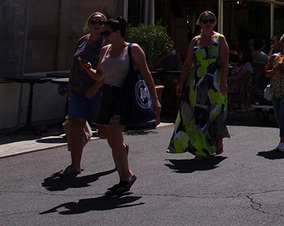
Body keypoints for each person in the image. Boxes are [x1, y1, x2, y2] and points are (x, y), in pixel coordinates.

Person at [82, 16, 161, 195]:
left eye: (107, 33)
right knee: (112, 139)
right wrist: (89, 70)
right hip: (108, 95)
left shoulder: (133, 49)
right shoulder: (104, 51)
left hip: (124, 95)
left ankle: (125, 177)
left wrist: (155, 100)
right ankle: (124, 175)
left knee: (115, 135)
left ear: (118, 32)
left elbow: (146, 75)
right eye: (102, 33)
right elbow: (100, 76)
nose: (104, 36)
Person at [168, 11, 230, 158]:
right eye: (205, 20)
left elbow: (224, 62)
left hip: (214, 82)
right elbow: (187, 63)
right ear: (200, 23)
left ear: (214, 22)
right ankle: (201, 148)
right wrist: (181, 83)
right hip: (197, 82)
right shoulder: (195, 41)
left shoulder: (220, 39)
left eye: (211, 20)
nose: (208, 23)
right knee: (197, 114)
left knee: (214, 113)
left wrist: (223, 82)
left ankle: (217, 139)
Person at [57, 12, 108, 177]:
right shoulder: (82, 41)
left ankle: (121, 148)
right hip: (78, 90)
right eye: (94, 21)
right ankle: (75, 165)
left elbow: (108, 71)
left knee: (103, 127)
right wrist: (70, 87)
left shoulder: (106, 44)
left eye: (101, 22)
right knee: (75, 127)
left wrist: (96, 86)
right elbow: (74, 66)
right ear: (89, 23)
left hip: (96, 91)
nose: (97, 24)